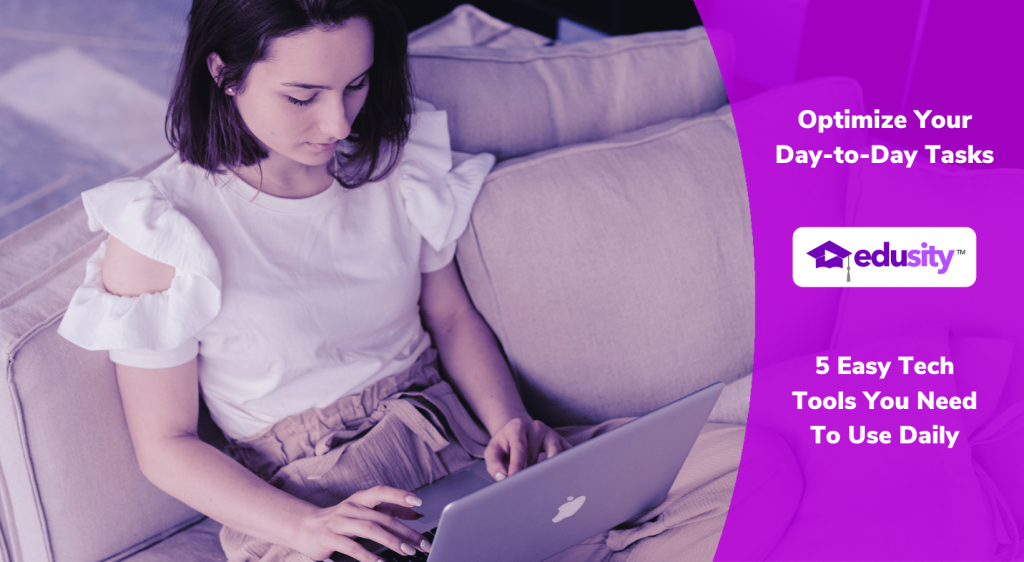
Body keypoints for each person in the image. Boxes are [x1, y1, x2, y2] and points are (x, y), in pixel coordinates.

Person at [58, 1, 745, 561]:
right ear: (223, 72)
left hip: (457, 441)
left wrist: (509, 423)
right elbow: (165, 445)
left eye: (355, 85)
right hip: (317, 497)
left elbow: (450, 320)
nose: (337, 123)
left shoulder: (392, 168)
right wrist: (307, 529)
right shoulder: (161, 230)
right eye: (303, 96)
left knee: (749, 469)